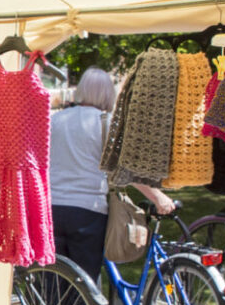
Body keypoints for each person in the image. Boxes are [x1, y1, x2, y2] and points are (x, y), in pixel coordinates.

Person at [50, 66, 175, 283]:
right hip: (88, 211)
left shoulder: (55, 120)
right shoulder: (106, 123)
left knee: (52, 279)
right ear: (109, 94)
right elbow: (126, 169)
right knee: (84, 282)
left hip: (52, 208)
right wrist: (158, 197)